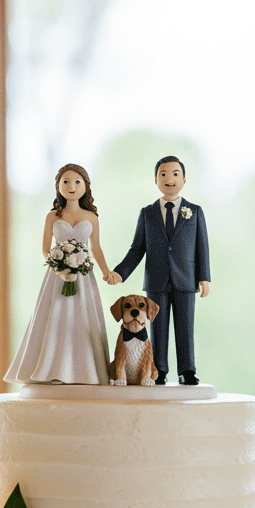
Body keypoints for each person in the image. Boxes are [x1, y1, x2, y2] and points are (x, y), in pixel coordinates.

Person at [5, 164, 114, 386]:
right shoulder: (52, 216)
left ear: (85, 186)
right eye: (66, 181)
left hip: (84, 276)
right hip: (57, 276)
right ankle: (52, 368)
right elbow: (45, 247)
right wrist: (59, 263)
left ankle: (86, 371)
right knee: (56, 317)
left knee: (82, 319)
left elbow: (96, 248)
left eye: (77, 181)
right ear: (58, 186)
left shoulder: (91, 217)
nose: (71, 186)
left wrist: (105, 271)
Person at [107, 155, 210, 385]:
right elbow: (137, 249)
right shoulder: (148, 213)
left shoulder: (195, 211)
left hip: (186, 279)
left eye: (175, 174)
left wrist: (204, 277)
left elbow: (202, 247)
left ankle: (187, 370)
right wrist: (120, 273)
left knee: (185, 328)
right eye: (163, 174)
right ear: (156, 180)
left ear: (184, 179)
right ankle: (159, 369)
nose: (169, 179)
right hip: (157, 280)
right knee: (158, 328)